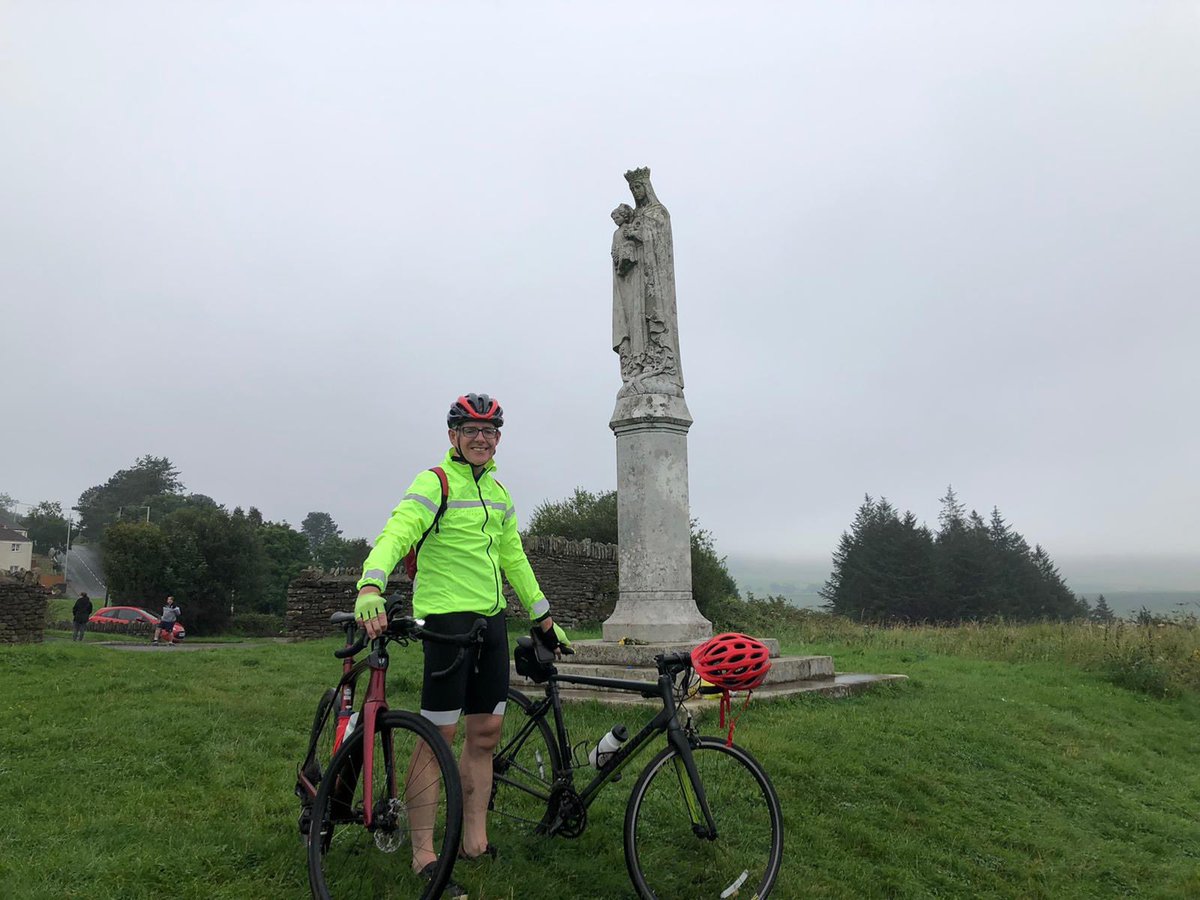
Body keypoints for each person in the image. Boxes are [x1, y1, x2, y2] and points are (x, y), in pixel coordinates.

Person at [354, 393, 570, 893]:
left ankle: (475, 838)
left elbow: (514, 558)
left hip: (490, 624)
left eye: (489, 431)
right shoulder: (436, 481)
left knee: (487, 733)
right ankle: (424, 851)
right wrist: (371, 583)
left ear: (498, 439)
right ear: (453, 436)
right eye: (469, 430)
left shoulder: (499, 491)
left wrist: (543, 618)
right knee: (439, 736)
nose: (480, 438)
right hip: (447, 622)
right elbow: (398, 532)